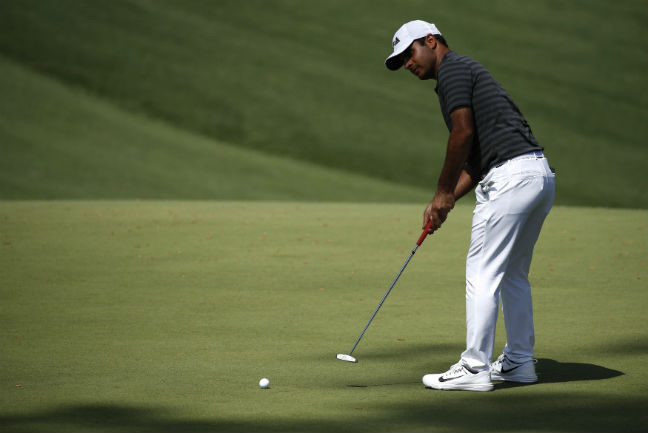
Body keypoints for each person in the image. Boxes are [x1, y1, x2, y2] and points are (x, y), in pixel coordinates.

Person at [385, 20, 556, 391]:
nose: (408, 64)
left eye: (409, 53)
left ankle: (475, 367)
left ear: (431, 41)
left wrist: (442, 191)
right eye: (401, 61)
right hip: (536, 175)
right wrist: (445, 201)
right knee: (511, 274)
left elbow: (462, 133)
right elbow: (477, 161)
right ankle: (519, 363)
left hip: (511, 179)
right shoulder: (465, 71)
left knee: (482, 272)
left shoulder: (453, 70)